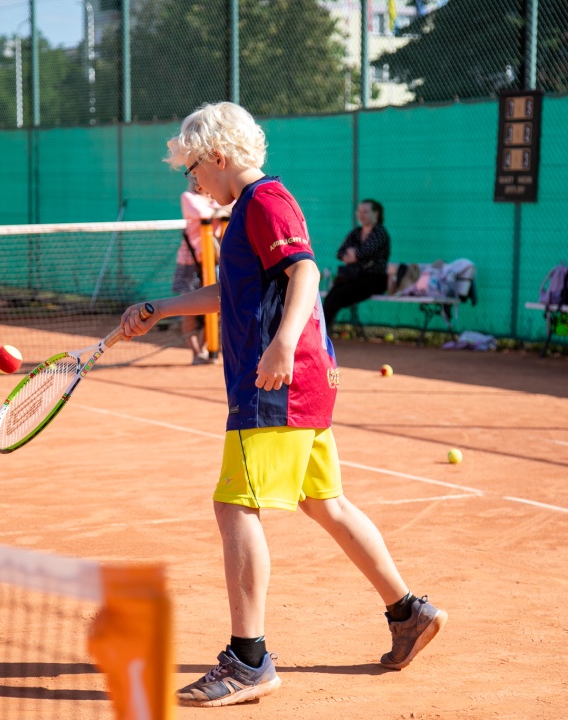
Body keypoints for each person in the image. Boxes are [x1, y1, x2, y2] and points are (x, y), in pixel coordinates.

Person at [120, 102, 446, 707]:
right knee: (325, 501)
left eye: (192, 168)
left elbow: (304, 273)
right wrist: (162, 308)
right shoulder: (245, 211)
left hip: (277, 384)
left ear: (217, 157)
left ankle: (249, 661)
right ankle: (408, 613)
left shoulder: (266, 201)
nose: (191, 180)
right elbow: (234, 291)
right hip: (299, 383)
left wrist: (281, 347)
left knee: (234, 506)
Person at [175, 176, 230, 364]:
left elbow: (233, 207)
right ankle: (196, 352)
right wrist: (221, 210)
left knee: (215, 306)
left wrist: (221, 209)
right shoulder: (188, 197)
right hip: (189, 264)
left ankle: (207, 349)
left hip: (212, 263)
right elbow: (205, 215)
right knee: (188, 309)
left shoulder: (216, 199)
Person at [322, 199, 391, 329]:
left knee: (338, 295)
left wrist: (355, 255)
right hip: (353, 278)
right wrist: (355, 256)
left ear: (376, 214)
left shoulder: (380, 233)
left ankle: (323, 333)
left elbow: (363, 253)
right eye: (359, 212)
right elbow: (340, 253)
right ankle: (321, 331)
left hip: (374, 280)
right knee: (332, 294)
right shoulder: (356, 233)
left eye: (365, 212)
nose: (361, 215)